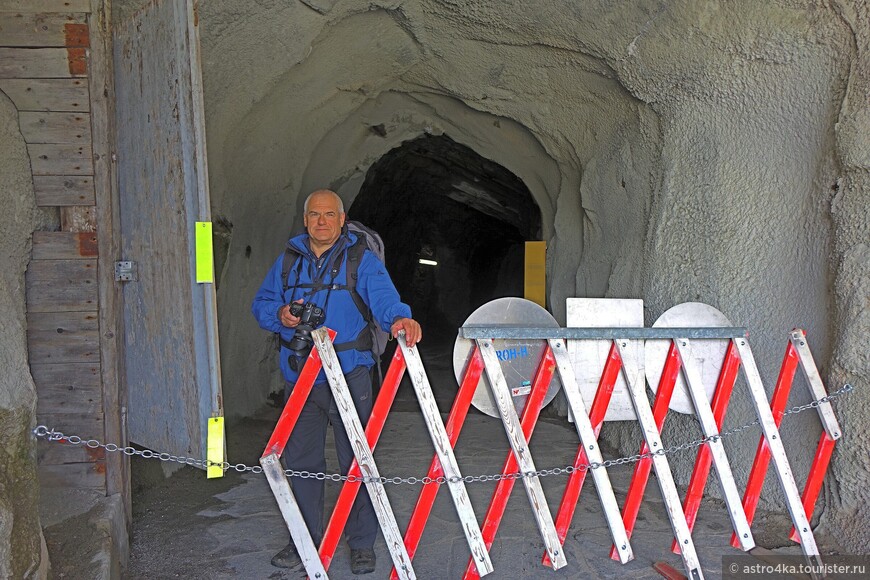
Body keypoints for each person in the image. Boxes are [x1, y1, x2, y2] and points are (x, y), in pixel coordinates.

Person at [251, 189, 422, 575]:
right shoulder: (288, 261)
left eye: (330, 214)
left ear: (342, 219)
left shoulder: (361, 260)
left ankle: (361, 543)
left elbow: (384, 300)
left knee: (357, 461)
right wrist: (280, 313)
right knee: (301, 461)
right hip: (301, 378)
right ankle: (304, 539)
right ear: (305, 218)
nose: (322, 222)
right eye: (315, 214)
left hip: (349, 375)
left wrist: (400, 319)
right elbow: (261, 304)